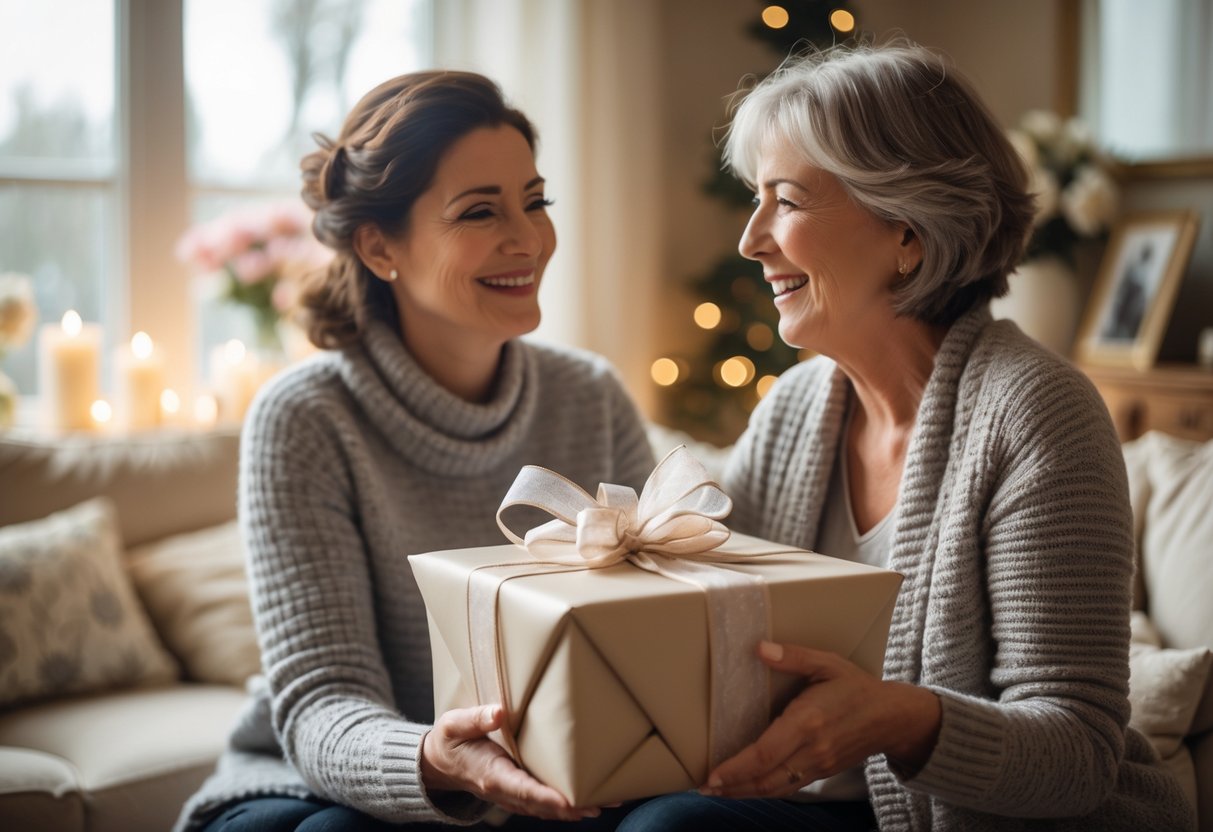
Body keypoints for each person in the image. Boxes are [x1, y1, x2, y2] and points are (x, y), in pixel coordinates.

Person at [618, 42, 1194, 832]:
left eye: (784, 201)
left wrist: (900, 719)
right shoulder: (792, 409)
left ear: (907, 233)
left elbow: (1077, 753)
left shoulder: (1035, 413)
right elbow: (710, 626)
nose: (750, 241)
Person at [174, 71, 656, 832]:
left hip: (560, 775)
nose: (527, 238)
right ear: (377, 245)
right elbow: (323, 700)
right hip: (329, 775)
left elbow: (653, 628)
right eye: (479, 211)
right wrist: (437, 759)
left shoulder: (590, 395)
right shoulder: (305, 419)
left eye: (535, 201)